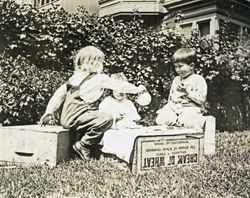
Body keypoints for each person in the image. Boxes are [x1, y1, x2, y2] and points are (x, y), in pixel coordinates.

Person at [39, 46, 147, 161]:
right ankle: (83, 145)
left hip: (67, 118)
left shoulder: (74, 78)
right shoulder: (98, 78)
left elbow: (59, 95)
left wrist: (49, 111)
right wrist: (137, 90)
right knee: (107, 118)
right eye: (100, 62)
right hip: (78, 116)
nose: (102, 65)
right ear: (93, 63)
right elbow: (119, 85)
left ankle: (83, 146)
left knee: (95, 115)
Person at [156, 48, 207, 129]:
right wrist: (169, 107)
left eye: (180, 66)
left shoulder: (198, 79)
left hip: (190, 107)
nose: (177, 70)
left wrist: (187, 93)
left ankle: (200, 122)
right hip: (175, 107)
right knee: (161, 118)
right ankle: (175, 127)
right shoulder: (176, 79)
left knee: (188, 122)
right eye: (175, 67)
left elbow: (201, 100)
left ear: (191, 66)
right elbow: (171, 96)